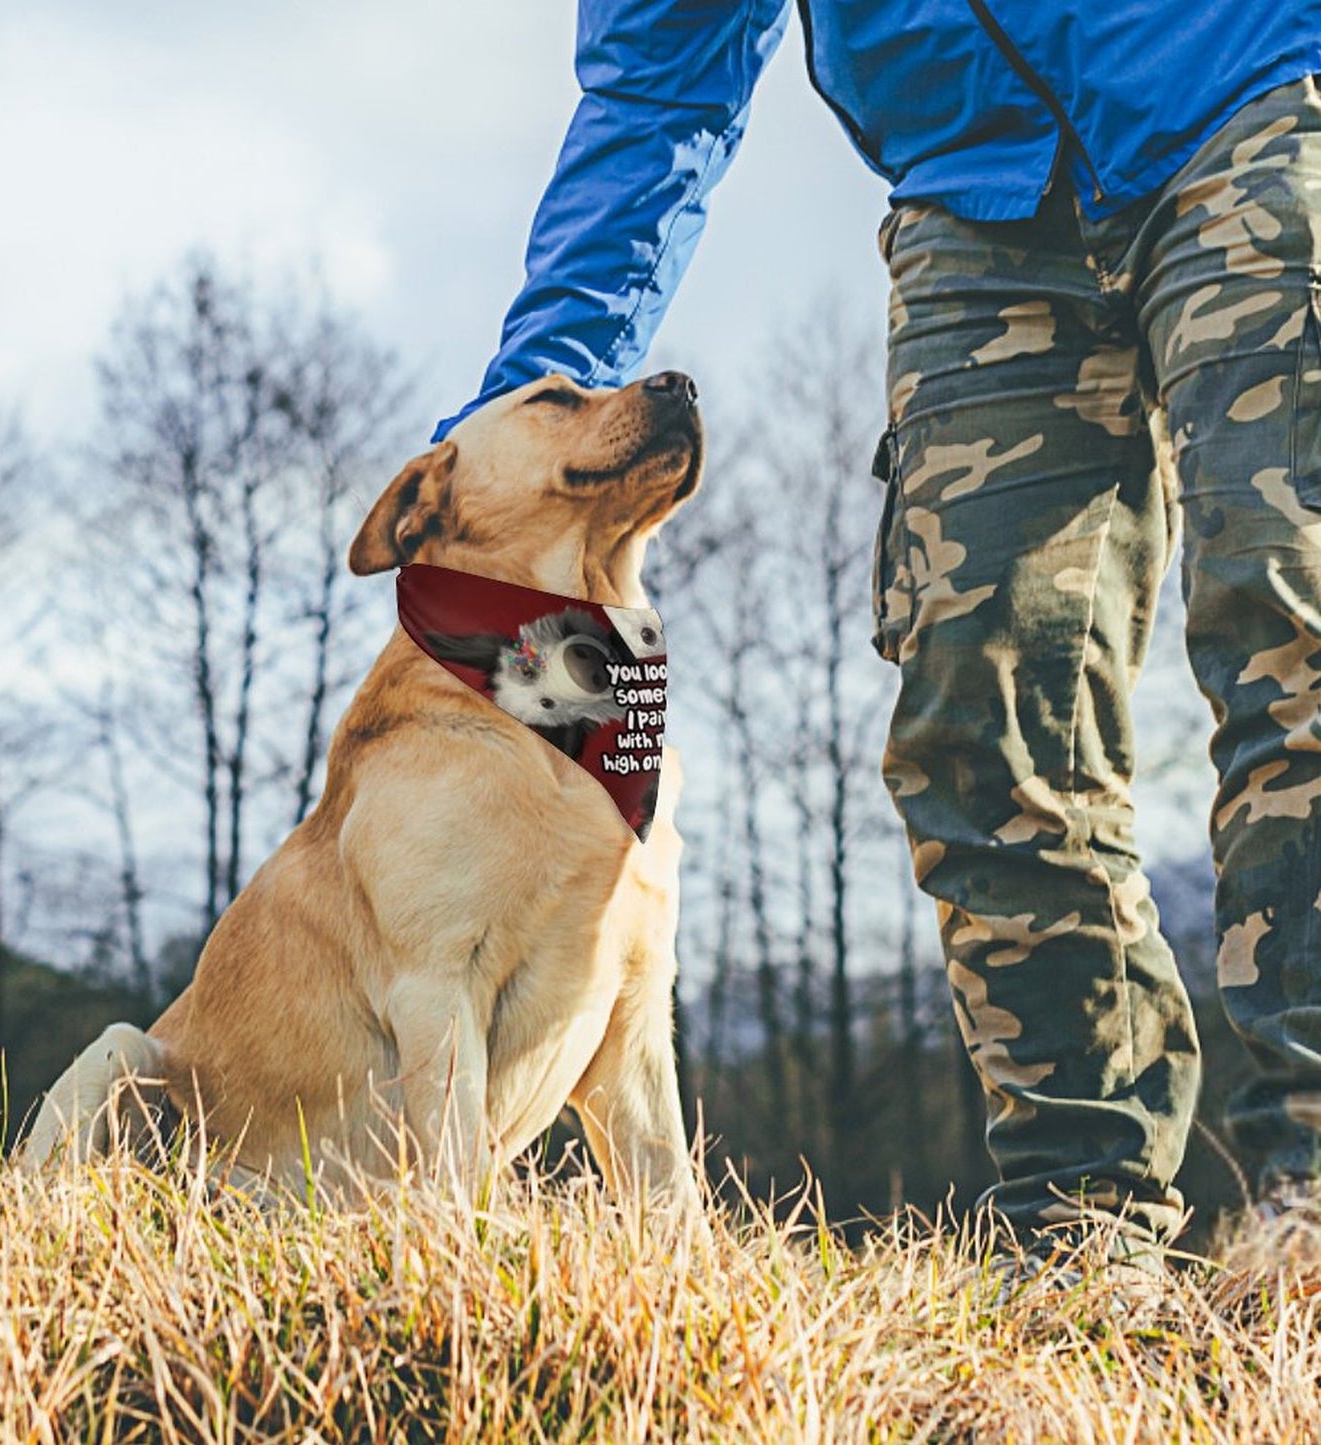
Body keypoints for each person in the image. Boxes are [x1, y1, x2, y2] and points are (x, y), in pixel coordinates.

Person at [435, 0, 1321, 1265]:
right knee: (981, 721)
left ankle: (1310, 1199)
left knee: (1289, 621)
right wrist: (527, 420)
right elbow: (655, 93)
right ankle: (1082, 1230)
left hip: (1244, 87)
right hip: (976, 199)